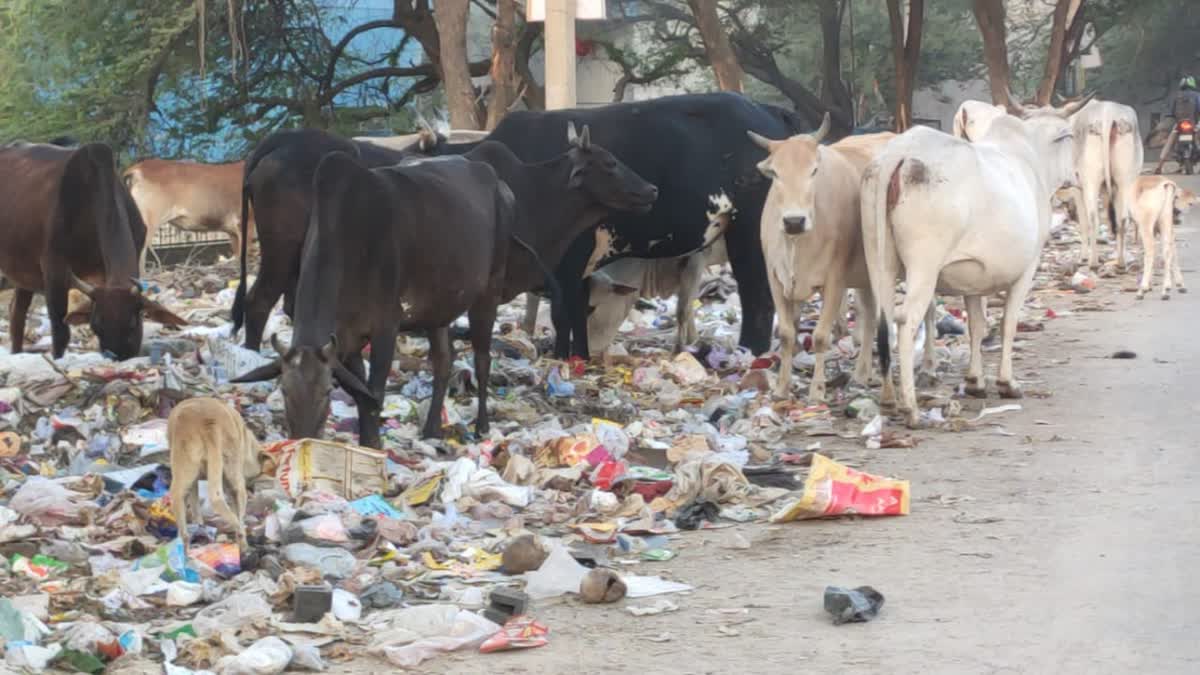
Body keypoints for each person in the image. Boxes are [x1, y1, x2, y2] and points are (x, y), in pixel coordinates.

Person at [1153, 76, 1200, 174]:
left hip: (1180, 125)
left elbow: (1171, 112)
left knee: (1169, 143)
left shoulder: (1177, 96)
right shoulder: (1197, 95)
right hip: (1194, 124)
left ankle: (1159, 166)